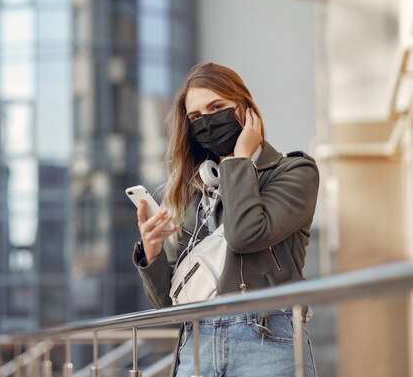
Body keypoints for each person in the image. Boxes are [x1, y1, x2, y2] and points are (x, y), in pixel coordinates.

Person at [132, 63, 319, 377]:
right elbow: (171, 307)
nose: (206, 122)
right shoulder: (195, 193)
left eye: (216, 107)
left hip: (267, 342)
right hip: (198, 347)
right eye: (195, 117)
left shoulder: (295, 172)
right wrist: (152, 253)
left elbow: (245, 234)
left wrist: (240, 161)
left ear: (245, 110)